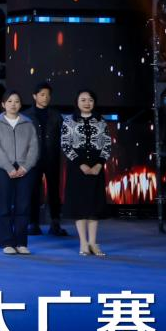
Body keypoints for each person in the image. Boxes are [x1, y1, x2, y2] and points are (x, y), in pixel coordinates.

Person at [0, 90, 39, 255]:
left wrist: (26, 167)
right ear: (3, 104)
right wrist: (9, 167)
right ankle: (6, 242)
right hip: (3, 169)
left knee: (23, 207)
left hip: (25, 169)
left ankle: (21, 242)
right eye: (9, 101)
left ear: (20, 104)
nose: (13, 104)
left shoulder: (28, 123)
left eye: (16, 101)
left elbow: (34, 147)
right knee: (3, 207)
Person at [62, 89, 111, 257]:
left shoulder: (101, 121)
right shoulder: (69, 121)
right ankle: (83, 242)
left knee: (94, 205)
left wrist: (99, 164)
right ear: (77, 102)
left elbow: (107, 145)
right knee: (80, 205)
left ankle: (93, 242)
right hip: (77, 167)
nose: (87, 103)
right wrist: (80, 164)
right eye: (83, 99)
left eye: (90, 99)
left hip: (96, 165)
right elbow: (65, 145)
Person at [24, 81, 68, 236]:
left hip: (52, 157)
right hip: (33, 158)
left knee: (54, 191)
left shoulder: (56, 115)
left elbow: (63, 137)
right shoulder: (26, 115)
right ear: (34, 96)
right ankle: (33, 223)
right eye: (42, 95)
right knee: (33, 190)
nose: (45, 98)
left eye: (48, 95)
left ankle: (55, 223)